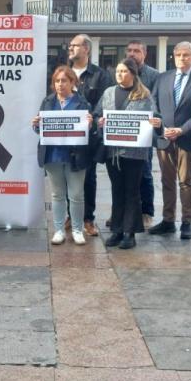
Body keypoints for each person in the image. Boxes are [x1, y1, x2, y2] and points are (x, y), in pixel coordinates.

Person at [94, 59, 161, 249]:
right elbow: (98, 113)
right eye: (118, 71)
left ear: (133, 73)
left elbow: (154, 116)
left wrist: (156, 123)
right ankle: (117, 230)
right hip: (112, 152)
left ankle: (129, 232)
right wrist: (99, 121)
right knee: (117, 190)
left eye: (124, 71)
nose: (120, 74)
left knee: (132, 191)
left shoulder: (144, 95)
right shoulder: (108, 92)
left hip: (135, 153)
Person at [33, 65, 93, 245]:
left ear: (72, 82)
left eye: (64, 81)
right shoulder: (47, 102)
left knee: (76, 195)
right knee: (57, 195)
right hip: (53, 156)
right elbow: (40, 129)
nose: (60, 85)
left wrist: (90, 125)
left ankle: (76, 229)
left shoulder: (83, 103)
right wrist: (36, 124)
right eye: (57, 81)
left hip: (75, 156)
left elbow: (91, 133)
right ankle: (58, 230)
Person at [149, 41, 191, 240]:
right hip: (164, 138)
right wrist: (162, 126)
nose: (181, 58)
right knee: (166, 181)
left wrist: (181, 130)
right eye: (178, 54)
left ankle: (186, 222)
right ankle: (168, 220)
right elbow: (153, 104)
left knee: (186, 181)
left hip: (186, 139)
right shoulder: (163, 78)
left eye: (186, 55)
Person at [67, 34, 113, 236]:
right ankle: (70, 216)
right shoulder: (63, 73)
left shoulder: (100, 75)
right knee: (68, 176)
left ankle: (88, 219)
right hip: (66, 135)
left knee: (88, 179)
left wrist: (91, 119)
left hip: (88, 137)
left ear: (86, 48)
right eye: (69, 45)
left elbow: (104, 104)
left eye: (74, 45)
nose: (70, 48)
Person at [124, 40, 159, 226]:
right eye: (129, 50)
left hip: (143, 135)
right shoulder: (120, 72)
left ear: (144, 54)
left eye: (136, 51)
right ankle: (121, 212)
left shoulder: (153, 76)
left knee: (144, 174)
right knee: (122, 175)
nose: (132, 54)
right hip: (121, 134)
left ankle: (146, 212)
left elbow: (156, 104)